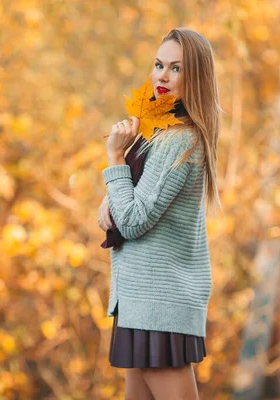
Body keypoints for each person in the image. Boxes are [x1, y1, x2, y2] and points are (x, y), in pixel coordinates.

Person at [97, 27, 222, 400]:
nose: (162, 77)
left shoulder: (181, 139)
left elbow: (135, 221)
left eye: (176, 68)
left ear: (195, 78)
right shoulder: (158, 133)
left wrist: (115, 158)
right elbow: (137, 201)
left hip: (159, 303)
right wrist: (111, 198)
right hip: (139, 301)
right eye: (158, 65)